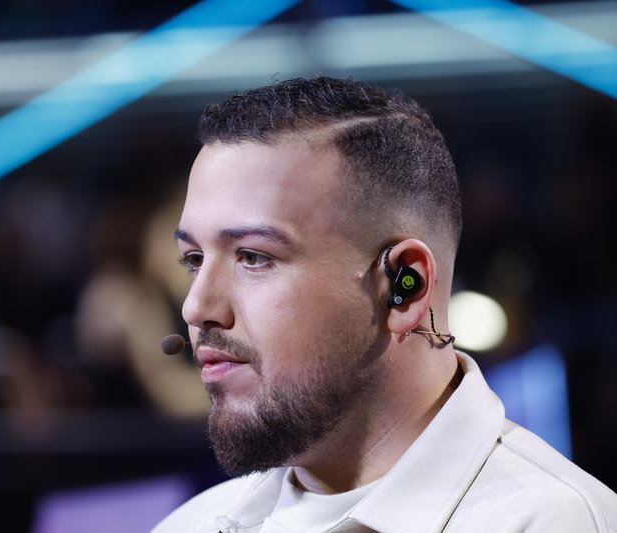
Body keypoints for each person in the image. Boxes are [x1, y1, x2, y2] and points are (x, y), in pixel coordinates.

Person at [151, 77, 617, 532]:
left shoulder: (553, 521)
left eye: (253, 257)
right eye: (194, 259)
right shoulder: (189, 525)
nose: (195, 308)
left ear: (404, 288)